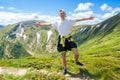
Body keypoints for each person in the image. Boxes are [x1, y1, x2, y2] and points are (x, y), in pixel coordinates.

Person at [35, 9, 94, 75]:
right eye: (61, 13)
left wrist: (88, 18)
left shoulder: (69, 20)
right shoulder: (56, 22)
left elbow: (78, 19)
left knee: (76, 53)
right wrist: (40, 24)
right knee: (63, 55)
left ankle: (76, 61)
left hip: (69, 38)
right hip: (61, 39)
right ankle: (65, 69)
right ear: (59, 15)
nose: (62, 14)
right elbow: (48, 24)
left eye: (63, 13)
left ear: (65, 14)